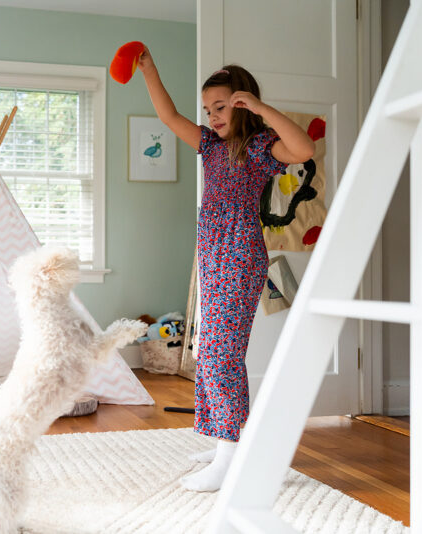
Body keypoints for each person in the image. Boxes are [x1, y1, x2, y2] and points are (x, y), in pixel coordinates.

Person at [136, 50, 315, 492]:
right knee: (209, 351)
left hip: (238, 255)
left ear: (241, 105)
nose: (213, 117)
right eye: (208, 109)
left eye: (221, 107)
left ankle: (232, 457)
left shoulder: (257, 148)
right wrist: (148, 68)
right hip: (212, 254)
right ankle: (223, 440)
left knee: (222, 356)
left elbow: (304, 148)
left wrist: (259, 107)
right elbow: (168, 114)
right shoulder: (210, 146)